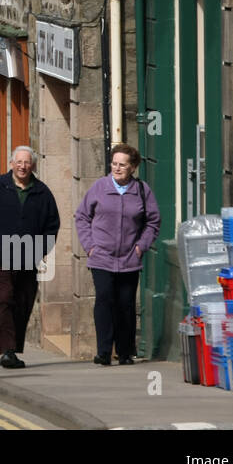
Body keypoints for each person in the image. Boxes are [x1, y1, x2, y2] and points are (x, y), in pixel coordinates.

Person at [0, 146, 60, 370]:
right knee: (6, 296)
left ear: (33, 165)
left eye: (27, 162)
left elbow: (52, 225)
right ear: (11, 163)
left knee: (23, 302)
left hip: (28, 259)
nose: (22, 166)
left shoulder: (42, 192)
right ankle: (7, 351)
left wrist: (40, 251)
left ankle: (13, 350)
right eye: (18, 162)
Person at [74, 143, 161, 366]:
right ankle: (103, 351)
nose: (117, 168)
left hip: (130, 258)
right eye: (114, 163)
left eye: (122, 165)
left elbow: (153, 221)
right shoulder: (99, 187)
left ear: (133, 167)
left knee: (125, 304)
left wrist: (141, 246)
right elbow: (82, 217)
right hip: (101, 256)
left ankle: (124, 352)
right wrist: (90, 246)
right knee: (104, 299)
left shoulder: (142, 190)